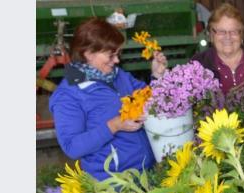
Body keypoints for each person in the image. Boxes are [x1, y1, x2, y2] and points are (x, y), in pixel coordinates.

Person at [50, 17, 167, 181]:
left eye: (118, 54)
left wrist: (156, 76)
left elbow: (148, 98)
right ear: (88, 53)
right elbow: (72, 147)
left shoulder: (118, 76)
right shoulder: (69, 95)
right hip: (115, 183)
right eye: (111, 55)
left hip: (149, 171)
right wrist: (114, 126)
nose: (117, 61)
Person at [192, 2, 244, 95]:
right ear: (211, 35)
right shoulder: (199, 64)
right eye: (221, 32)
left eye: (234, 31)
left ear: (241, 35)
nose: (228, 37)